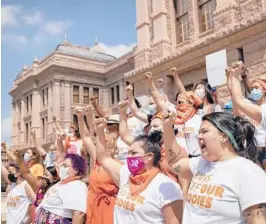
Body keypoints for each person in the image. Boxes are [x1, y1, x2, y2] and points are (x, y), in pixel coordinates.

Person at [162, 111, 266, 223]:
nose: (199, 136)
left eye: (204, 131)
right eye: (199, 132)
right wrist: (168, 126)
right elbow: (175, 163)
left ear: (224, 136)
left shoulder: (248, 172)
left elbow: (257, 220)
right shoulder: (200, 163)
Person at [95, 117, 184, 224]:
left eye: (133, 153)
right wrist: (99, 130)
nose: (129, 157)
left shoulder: (167, 186)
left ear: (149, 157)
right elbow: (104, 158)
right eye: (128, 153)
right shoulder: (125, 174)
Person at [228, 61, 266, 170]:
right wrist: (230, 76)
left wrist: (236, 75)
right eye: (252, 88)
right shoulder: (251, 106)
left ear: (264, 90)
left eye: (256, 88)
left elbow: (239, 99)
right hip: (253, 149)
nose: (253, 90)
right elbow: (236, 96)